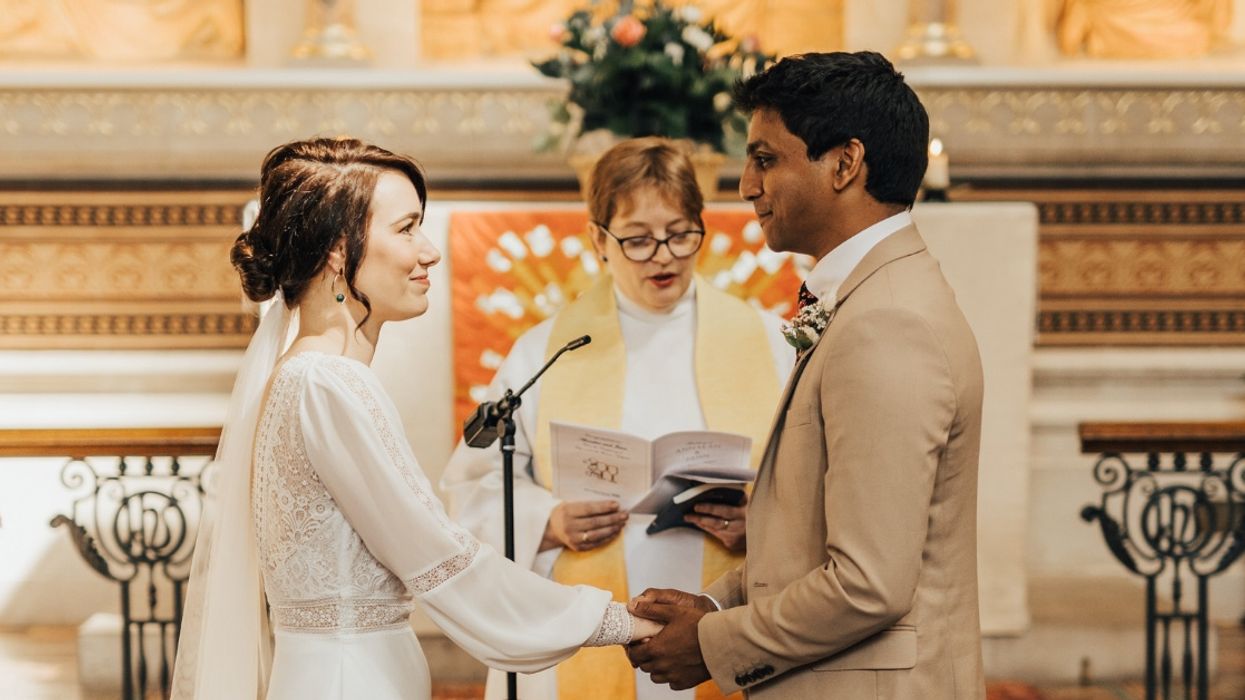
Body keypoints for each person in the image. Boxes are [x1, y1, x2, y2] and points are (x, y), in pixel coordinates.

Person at [171, 137, 661, 700]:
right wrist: (620, 622)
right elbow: (441, 559)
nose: (429, 251)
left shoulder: (304, 375)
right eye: (406, 229)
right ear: (337, 250)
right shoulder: (328, 382)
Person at [626, 52, 987, 699]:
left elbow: (866, 582)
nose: (744, 185)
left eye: (765, 159)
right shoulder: (868, 298)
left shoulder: (887, 322)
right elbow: (820, 537)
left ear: (844, 164)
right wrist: (713, 607)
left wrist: (713, 645)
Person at [441, 137, 793, 700]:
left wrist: (764, 521)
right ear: (598, 240)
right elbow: (474, 486)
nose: (664, 256)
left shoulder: (768, 343)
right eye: (638, 240)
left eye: (681, 234)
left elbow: (813, 480)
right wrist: (549, 521)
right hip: (584, 628)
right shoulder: (544, 352)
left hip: (725, 622)